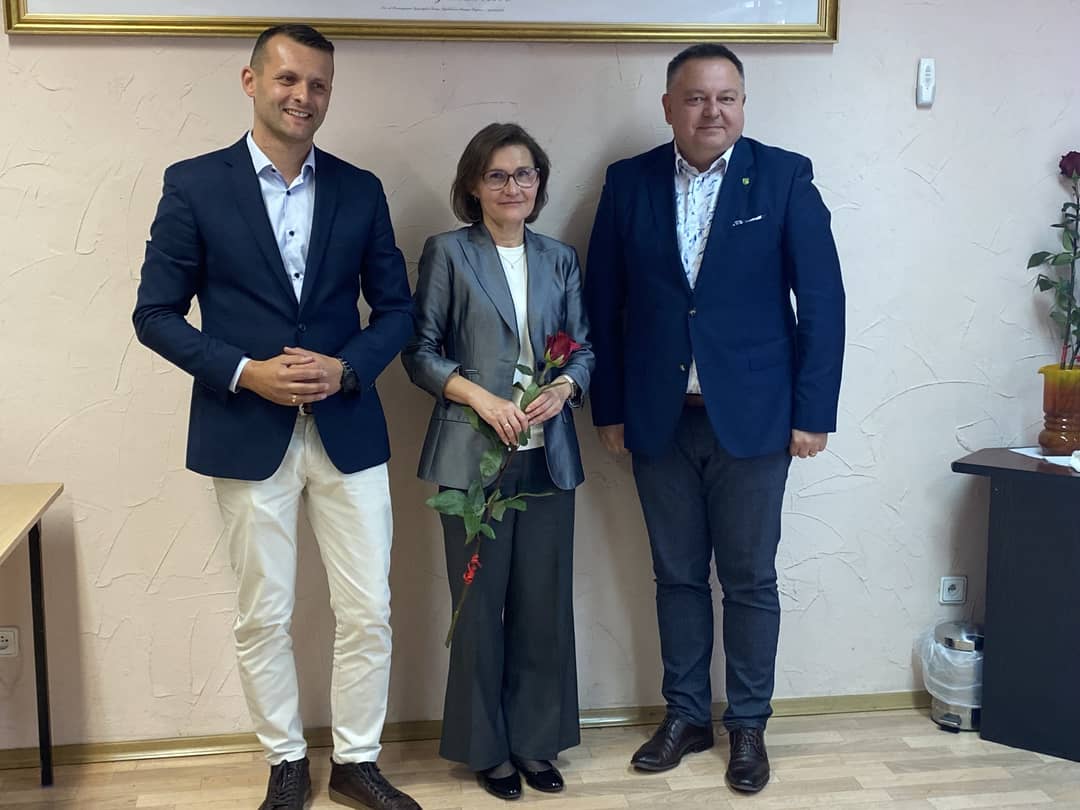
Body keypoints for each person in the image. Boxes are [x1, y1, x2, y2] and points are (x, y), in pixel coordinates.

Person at [132, 24, 420, 810]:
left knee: (369, 609)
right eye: (288, 79)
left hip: (347, 428)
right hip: (244, 429)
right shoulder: (195, 184)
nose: (304, 96)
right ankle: (286, 760)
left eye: (319, 84)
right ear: (251, 81)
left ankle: (356, 761)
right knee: (263, 612)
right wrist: (245, 372)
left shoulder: (360, 189)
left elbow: (396, 311)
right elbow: (155, 314)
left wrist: (347, 367)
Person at [584, 43, 845, 793]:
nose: (712, 111)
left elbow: (822, 302)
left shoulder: (784, 176)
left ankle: (748, 726)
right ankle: (687, 715)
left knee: (750, 579)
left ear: (743, 104)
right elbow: (604, 301)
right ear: (669, 106)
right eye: (696, 98)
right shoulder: (628, 182)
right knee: (675, 576)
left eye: (726, 97)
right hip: (658, 418)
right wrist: (610, 407)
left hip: (757, 421)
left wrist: (813, 413)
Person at [401, 123, 593, 801]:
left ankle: (535, 742)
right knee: (478, 611)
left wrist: (565, 388)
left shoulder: (560, 258)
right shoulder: (449, 253)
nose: (514, 186)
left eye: (525, 174)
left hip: (548, 461)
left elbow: (582, 348)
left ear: (540, 183)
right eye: (498, 175)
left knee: (544, 607)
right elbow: (419, 353)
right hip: (470, 459)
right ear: (474, 186)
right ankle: (487, 749)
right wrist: (480, 397)